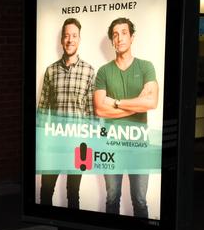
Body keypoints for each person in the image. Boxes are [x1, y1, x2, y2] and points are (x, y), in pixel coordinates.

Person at [93, 17, 158, 218]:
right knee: (112, 197)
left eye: (123, 33)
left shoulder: (146, 67)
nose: (119, 38)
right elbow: (99, 110)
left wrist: (116, 102)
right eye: (115, 34)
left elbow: (152, 102)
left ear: (132, 37)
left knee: (139, 199)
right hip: (111, 145)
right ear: (112, 40)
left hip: (139, 145)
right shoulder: (104, 71)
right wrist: (136, 104)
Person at [38, 18, 95, 209]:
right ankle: (44, 229)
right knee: (46, 190)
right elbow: (43, 109)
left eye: (74, 36)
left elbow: (92, 114)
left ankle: (72, 229)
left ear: (79, 39)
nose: (70, 40)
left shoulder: (89, 71)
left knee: (73, 192)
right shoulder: (51, 71)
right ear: (62, 40)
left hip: (79, 144)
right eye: (66, 36)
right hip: (53, 142)